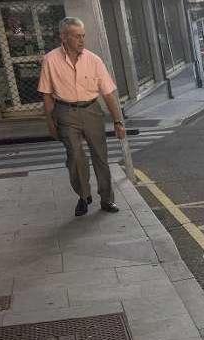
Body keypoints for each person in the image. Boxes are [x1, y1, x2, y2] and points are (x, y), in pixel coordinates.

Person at [38, 17, 124, 216]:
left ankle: (106, 199)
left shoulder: (94, 60)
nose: (82, 40)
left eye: (83, 36)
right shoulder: (50, 60)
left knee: (100, 157)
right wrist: (50, 123)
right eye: (77, 36)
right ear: (63, 37)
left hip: (92, 111)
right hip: (65, 112)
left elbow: (108, 93)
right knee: (75, 157)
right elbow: (47, 94)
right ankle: (84, 197)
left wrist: (118, 121)